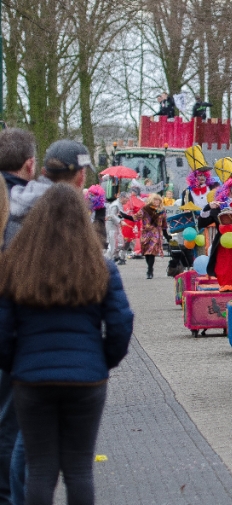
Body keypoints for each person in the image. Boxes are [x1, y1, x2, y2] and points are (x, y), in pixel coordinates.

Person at [0, 183, 133, 505]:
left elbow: (3, 330)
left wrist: (15, 364)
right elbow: (121, 322)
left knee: (40, 469)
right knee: (79, 470)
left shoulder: (16, 266)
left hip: (31, 380)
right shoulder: (101, 267)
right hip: (87, 379)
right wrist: (103, 361)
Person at [198, 177, 232, 291]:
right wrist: (208, 207)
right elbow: (203, 222)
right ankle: (227, 284)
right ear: (228, 188)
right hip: (225, 242)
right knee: (225, 263)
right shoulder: (219, 206)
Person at [133, 194, 168, 280]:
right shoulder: (145, 209)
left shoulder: (162, 211)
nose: (156, 202)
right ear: (151, 200)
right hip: (146, 233)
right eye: (155, 200)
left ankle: (149, 270)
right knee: (146, 252)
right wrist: (124, 216)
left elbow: (164, 224)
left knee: (152, 251)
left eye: (158, 200)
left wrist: (167, 235)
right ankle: (149, 268)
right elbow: (135, 218)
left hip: (156, 233)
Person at [105, 192, 129, 265]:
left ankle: (115, 256)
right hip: (111, 225)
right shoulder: (115, 205)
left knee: (121, 242)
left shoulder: (120, 204)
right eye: (126, 199)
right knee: (113, 244)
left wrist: (122, 219)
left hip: (116, 226)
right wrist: (120, 221)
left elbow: (119, 214)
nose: (127, 200)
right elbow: (112, 215)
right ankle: (106, 260)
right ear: (122, 197)